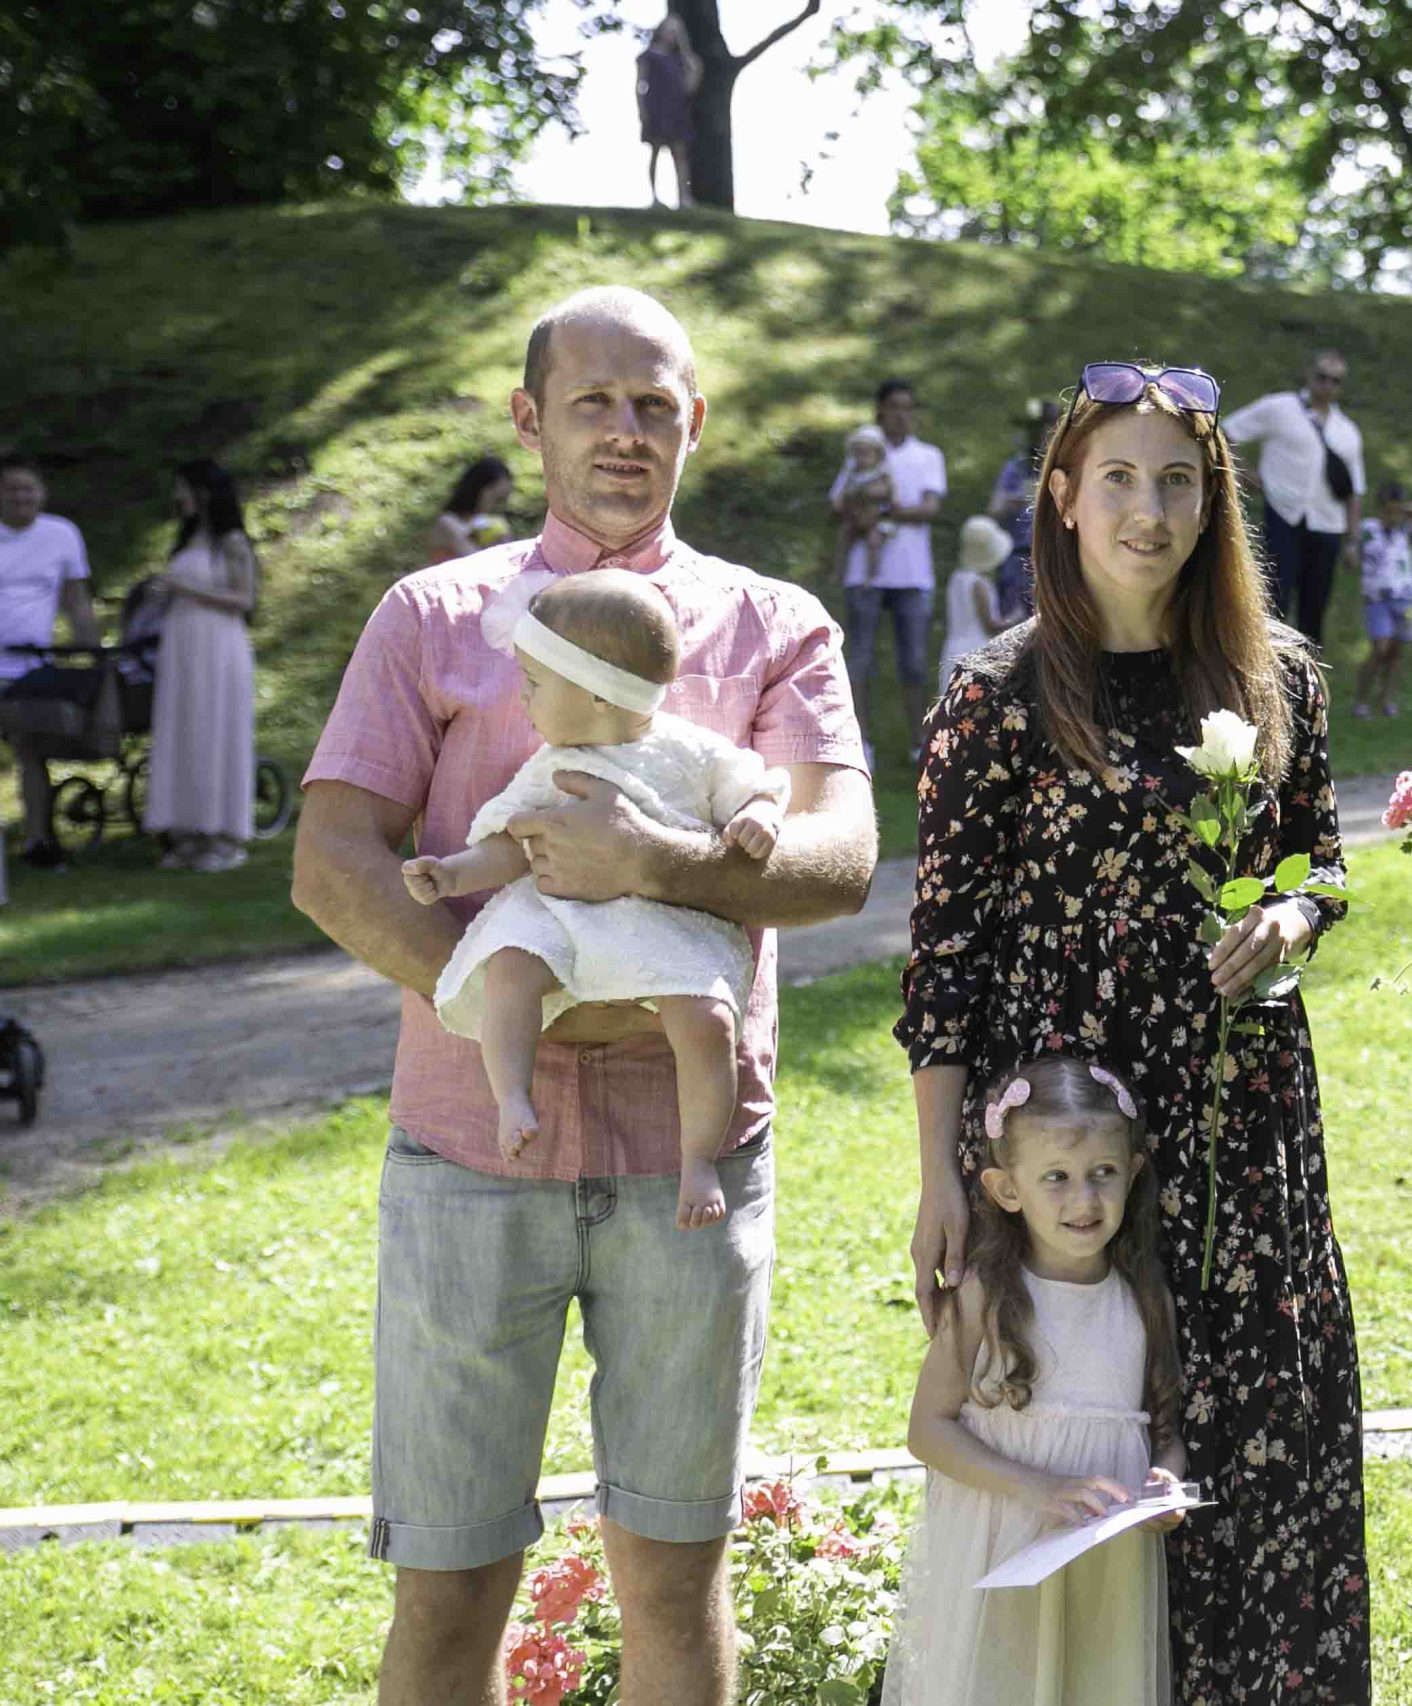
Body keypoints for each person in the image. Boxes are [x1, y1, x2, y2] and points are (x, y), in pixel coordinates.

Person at [292, 285, 876, 1706]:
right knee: (448, 1586)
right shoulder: (432, 616)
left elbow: (841, 857)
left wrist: (660, 862)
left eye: (654, 404)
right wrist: (509, 997)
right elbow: (332, 859)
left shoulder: (774, 624)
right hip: (471, 1154)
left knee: (672, 1579)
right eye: (593, 402)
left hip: (692, 1166)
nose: (625, 430)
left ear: (695, 422)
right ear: (529, 417)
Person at [900, 361, 1368, 1702]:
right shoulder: (995, 695)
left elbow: (1322, 861)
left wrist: (1290, 915)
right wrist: (942, 1175)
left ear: (1214, 503)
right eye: (1117, 477)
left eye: (1176, 481)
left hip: (1237, 1120)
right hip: (1068, 1139)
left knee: (1255, 1424)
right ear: (1063, 494)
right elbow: (944, 957)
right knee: (1076, 1426)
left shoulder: (1279, 676)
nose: (1147, 509)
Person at [401, 570, 792, 1230]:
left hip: (664, 916)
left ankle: (698, 1159)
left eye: (534, 683)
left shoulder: (689, 752)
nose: (522, 697)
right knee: (511, 967)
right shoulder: (552, 765)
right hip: (563, 912)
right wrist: (454, 874)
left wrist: (759, 817)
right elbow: (514, 841)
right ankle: (513, 1096)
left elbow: (755, 787)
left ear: (599, 695)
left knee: (707, 1022)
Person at [887, 1055, 1187, 1706]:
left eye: (1104, 1173)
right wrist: (1040, 1488)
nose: (1085, 1200)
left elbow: (1165, 1429)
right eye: (1057, 1177)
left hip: (1106, 1571)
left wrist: (1165, 1482)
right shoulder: (985, 1298)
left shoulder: (1143, 1299)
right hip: (1004, 1548)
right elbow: (927, 1429)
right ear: (1006, 1190)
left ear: (1133, 1172)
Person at [144, 460, 260, 873]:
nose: (179, 497)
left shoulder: (232, 541)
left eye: (184, 488)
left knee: (215, 730)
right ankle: (186, 832)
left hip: (218, 645)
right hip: (182, 644)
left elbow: (244, 599)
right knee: (184, 731)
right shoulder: (188, 539)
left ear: (205, 492)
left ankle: (222, 836)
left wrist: (184, 587)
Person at [836, 378, 946, 770]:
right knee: (859, 660)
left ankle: (919, 743)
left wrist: (883, 510)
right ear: (880, 410)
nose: (902, 415)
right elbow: (837, 505)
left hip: (912, 574)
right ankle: (859, 741)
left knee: (914, 662)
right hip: (863, 574)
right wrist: (861, 509)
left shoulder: (927, 455)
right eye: (894, 407)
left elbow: (931, 509)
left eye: (908, 407)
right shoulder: (862, 452)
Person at [1223, 348, 1365, 646]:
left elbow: (1355, 491)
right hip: (1283, 516)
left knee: (1315, 609)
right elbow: (1227, 432)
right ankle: (1264, 662)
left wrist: (1353, 541)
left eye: (1335, 381)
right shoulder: (1279, 408)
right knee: (1274, 601)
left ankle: (1307, 670)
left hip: (1328, 525)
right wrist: (1246, 472)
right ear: (1308, 375)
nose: (1327, 385)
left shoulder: (1347, 432)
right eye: (1322, 377)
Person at [0, 454, 99, 869]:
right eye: (12, 489)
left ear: (42, 493)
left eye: (28, 488)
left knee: (30, 750)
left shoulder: (61, 534)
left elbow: (76, 600)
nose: (21, 497)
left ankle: (38, 840)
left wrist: (92, 653)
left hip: (31, 669)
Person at [1347, 482, 1412, 719]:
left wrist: (1403, 510)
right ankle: (1361, 700)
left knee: (1396, 652)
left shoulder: (1405, 529)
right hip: (1377, 599)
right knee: (1380, 648)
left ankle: (1387, 700)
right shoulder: (1368, 529)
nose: (1392, 514)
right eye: (1388, 509)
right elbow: (1352, 554)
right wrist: (1351, 553)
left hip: (1404, 597)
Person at [987, 399, 1062, 623]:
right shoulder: (1017, 467)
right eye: (1042, 427)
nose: (1047, 434)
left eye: (1053, 427)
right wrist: (1014, 501)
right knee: (1013, 626)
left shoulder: (1070, 466)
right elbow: (994, 509)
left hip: (1056, 559)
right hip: (1018, 558)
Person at [637, 14, 704, 209]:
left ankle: (684, 197)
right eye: (669, 31)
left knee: (680, 154)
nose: (671, 36)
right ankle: (654, 197)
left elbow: (689, 88)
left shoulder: (680, 60)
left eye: (676, 33)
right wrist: (642, 110)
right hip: (656, 109)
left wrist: (693, 65)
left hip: (676, 110)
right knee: (655, 151)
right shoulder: (649, 56)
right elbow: (640, 85)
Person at [939, 515, 1010, 685]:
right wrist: (1017, 619)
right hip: (976, 649)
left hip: (952, 649)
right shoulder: (979, 584)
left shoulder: (956, 578)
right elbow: (990, 626)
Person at [831, 424, 897, 587]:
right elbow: (841, 492)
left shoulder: (881, 473)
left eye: (867, 453)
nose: (863, 457)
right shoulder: (852, 472)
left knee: (873, 541)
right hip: (855, 516)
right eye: (859, 453)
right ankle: (838, 572)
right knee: (844, 536)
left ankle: (872, 575)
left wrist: (877, 495)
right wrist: (841, 500)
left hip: (876, 517)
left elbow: (890, 492)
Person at [427, 457, 516, 564]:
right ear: (478, 489)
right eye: (496, 498)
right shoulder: (447, 523)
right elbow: (475, 562)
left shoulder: (490, 525)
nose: (497, 505)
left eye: (502, 500)